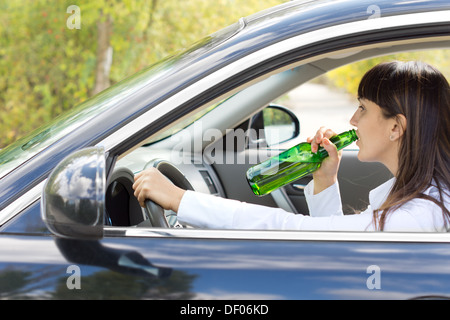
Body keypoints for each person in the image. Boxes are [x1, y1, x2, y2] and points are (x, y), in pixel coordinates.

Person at [133, 61, 450, 232]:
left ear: (395, 127)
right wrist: (325, 179)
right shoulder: (417, 194)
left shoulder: (416, 218)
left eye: (363, 109)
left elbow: (292, 228)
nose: (353, 119)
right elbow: (336, 242)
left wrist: (179, 199)